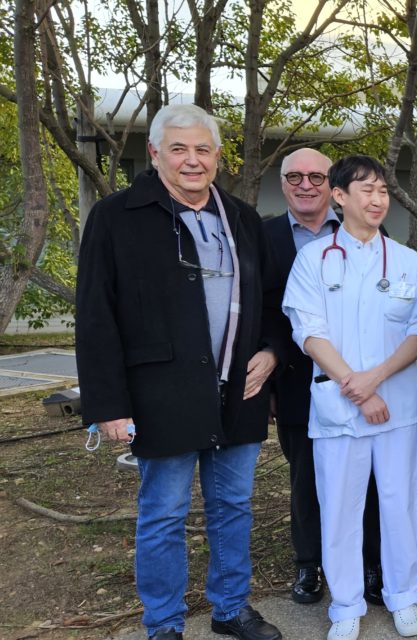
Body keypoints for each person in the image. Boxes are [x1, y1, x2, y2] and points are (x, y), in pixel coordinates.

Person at [75, 104, 284, 640]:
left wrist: (272, 350)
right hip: (159, 395)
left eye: (203, 150)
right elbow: (96, 314)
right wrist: (108, 407)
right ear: (155, 153)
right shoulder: (117, 216)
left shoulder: (240, 218)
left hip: (238, 392)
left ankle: (230, 608)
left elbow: (269, 300)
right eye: (179, 149)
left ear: (217, 157)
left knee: (233, 506)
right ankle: (164, 623)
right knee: (164, 514)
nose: (192, 161)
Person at [282, 155, 417, 640]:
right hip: (339, 409)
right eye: (365, 189)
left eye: (384, 190)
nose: (377, 199)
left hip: (399, 407)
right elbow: (309, 332)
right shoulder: (313, 258)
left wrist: (378, 377)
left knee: (398, 503)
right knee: (340, 508)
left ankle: (403, 596)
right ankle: (345, 604)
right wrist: (357, 386)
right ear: (339, 197)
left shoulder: (407, 260)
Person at [261, 148, 384, 607]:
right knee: (307, 479)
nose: (305, 184)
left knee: (367, 478)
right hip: (293, 378)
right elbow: (261, 309)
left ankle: (370, 565)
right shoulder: (263, 235)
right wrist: (271, 371)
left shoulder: (366, 229)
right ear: (283, 183)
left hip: (362, 383)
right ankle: (310, 565)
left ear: (332, 187)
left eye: (316, 176)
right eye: (295, 176)